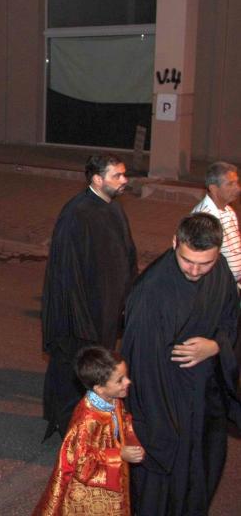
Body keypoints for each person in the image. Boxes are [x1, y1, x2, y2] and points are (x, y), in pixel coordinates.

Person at [122, 214, 241, 515]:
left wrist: (216, 346)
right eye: (188, 261)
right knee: (163, 489)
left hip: (205, 400)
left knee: (201, 474)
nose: (196, 271)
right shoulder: (151, 293)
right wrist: (162, 426)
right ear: (175, 242)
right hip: (167, 404)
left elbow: (231, 319)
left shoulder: (220, 270)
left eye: (205, 263)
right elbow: (142, 368)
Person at [41, 154, 138, 439]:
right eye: (117, 175)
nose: (124, 180)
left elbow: (127, 256)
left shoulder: (114, 209)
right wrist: (81, 319)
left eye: (124, 174)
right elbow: (67, 274)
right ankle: (70, 427)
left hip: (108, 309)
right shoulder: (76, 214)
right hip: (82, 313)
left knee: (98, 369)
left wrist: (129, 299)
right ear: (97, 179)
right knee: (76, 368)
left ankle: (93, 420)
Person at [32, 346, 144, 516]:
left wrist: (133, 442)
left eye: (126, 376)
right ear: (99, 388)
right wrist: (119, 454)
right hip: (90, 491)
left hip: (112, 477)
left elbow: (123, 421)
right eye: (120, 380)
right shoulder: (87, 420)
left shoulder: (113, 400)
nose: (128, 382)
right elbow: (82, 462)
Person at [191, 161, 240, 289]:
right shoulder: (204, 218)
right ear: (213, 188)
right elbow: (201, 260)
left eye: (237, 183)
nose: (238, 188)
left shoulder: (228, 211)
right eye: (230, 184)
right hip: (217, 287)